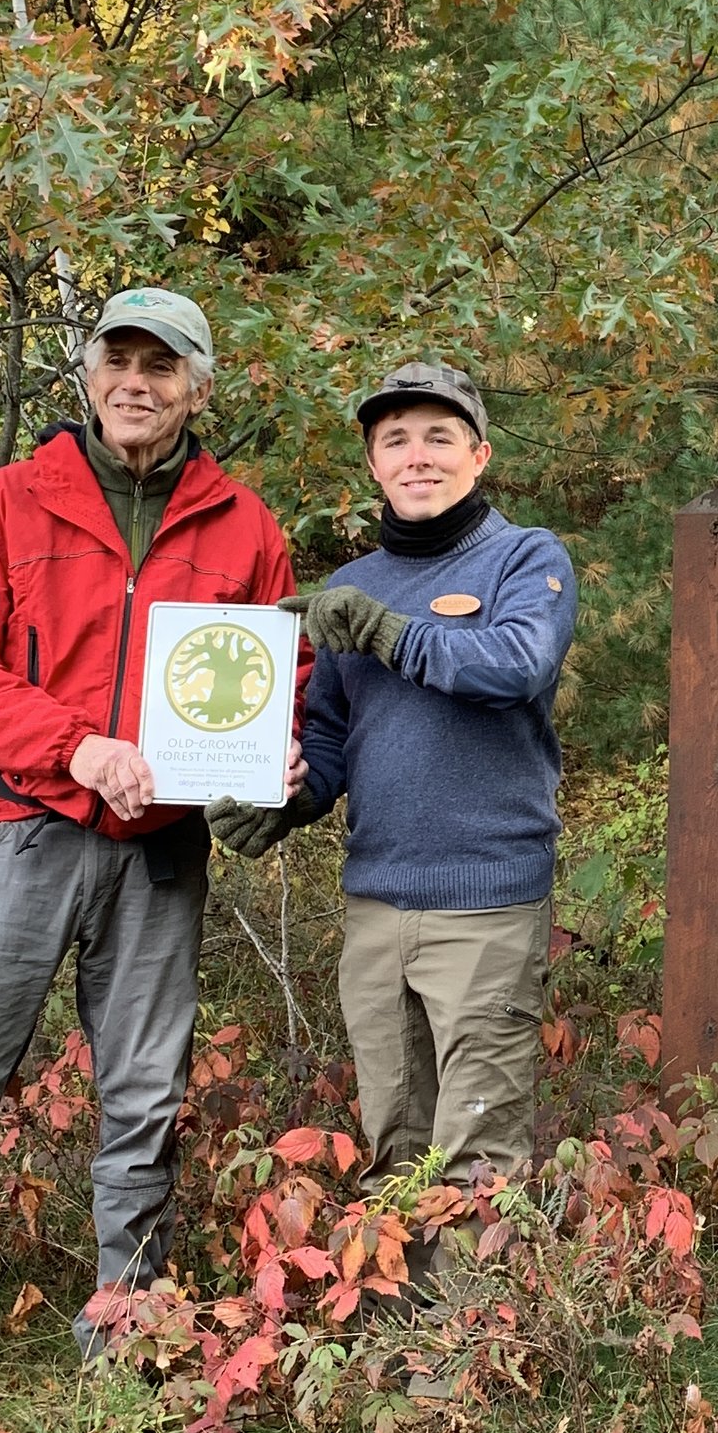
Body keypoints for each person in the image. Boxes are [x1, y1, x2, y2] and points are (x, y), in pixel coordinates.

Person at [0, 289, 297, 1345]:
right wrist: (75, 749)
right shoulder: (11, 502)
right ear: (88, 374)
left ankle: (127, 1323)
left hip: (160, 854)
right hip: (19, 830)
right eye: (118, 361)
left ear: (199, 386)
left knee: (145, 1097)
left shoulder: (245, 529)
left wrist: (275, 763)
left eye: (161, 366)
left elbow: (285, 676)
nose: (135, 384)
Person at [211, 358, 575, 1209]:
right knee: (396, 1144)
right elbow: (333, 736)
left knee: (478, 1164)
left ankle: (475, 1337)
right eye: (396, 440)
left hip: (485, 904)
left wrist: (386, 633)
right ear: (373, 464)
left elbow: (516, 663)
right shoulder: (352, 588)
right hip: (376, 905)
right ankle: (398, 1334)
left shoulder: (526, 559)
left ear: (478, 456)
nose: (418, 456)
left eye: (439, 438)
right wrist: (287, 797)